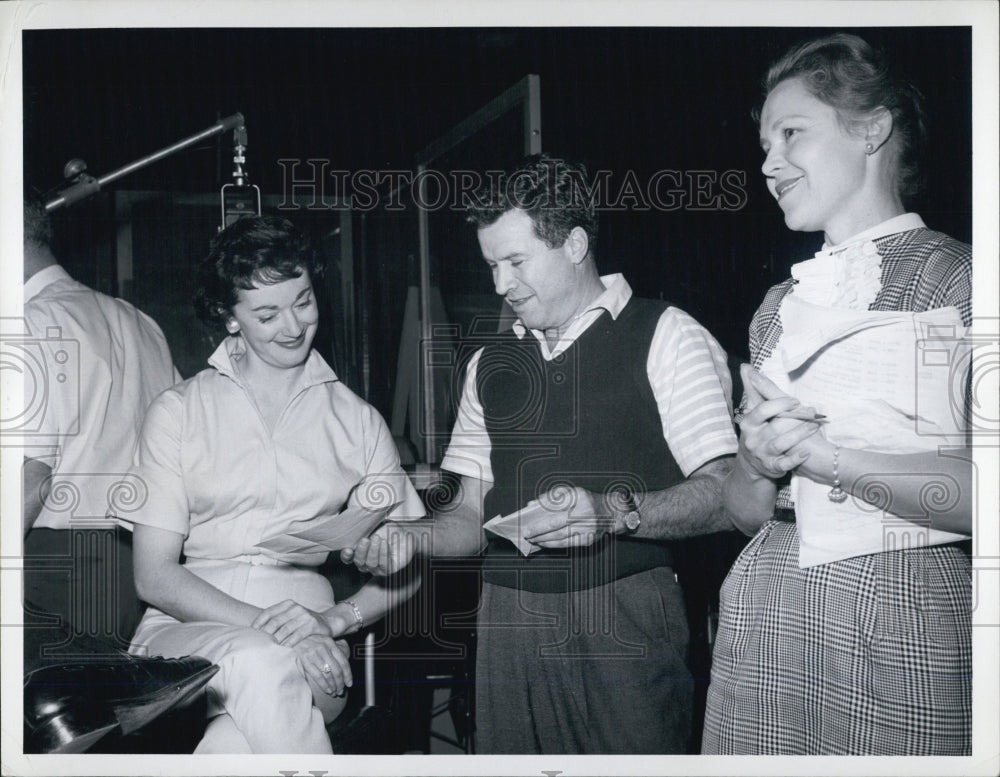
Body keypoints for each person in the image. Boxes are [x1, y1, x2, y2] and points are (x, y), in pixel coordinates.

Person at [343, 154, 739, 754]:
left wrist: (612, 513)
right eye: (492, 265)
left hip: (624, 617)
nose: (501, 284)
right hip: (505, 619)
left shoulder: (666, 334)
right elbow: (468, 519)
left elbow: (728, 494)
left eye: (516, 261)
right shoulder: (488, 365)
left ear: (575, 243)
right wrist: (412, 539)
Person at [702, 33, 972, 755]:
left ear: (872, 128)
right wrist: (758, 464)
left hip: (897, 612)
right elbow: (739, 509)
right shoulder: (776, 305)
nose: (767, 163)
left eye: (792, 133)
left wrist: (826, 456)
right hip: (766, 611)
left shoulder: (956, 279)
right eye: (764, 143)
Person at [124, 215, 424, 754]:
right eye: (266, 313)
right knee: (251, 678)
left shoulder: (357, 421)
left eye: (303, 301)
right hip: (181, 642)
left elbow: (410, 567)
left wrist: (332, 620)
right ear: (229, 317)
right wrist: (278, 629)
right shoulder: (178, 411)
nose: (292, 326)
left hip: (313, 650)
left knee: (247, 713)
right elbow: (154, 576)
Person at [19, 197, 216, 754]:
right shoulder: (140, 322)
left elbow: (29, 478)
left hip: (52, 569)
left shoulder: (26, 323)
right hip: (139, 567)